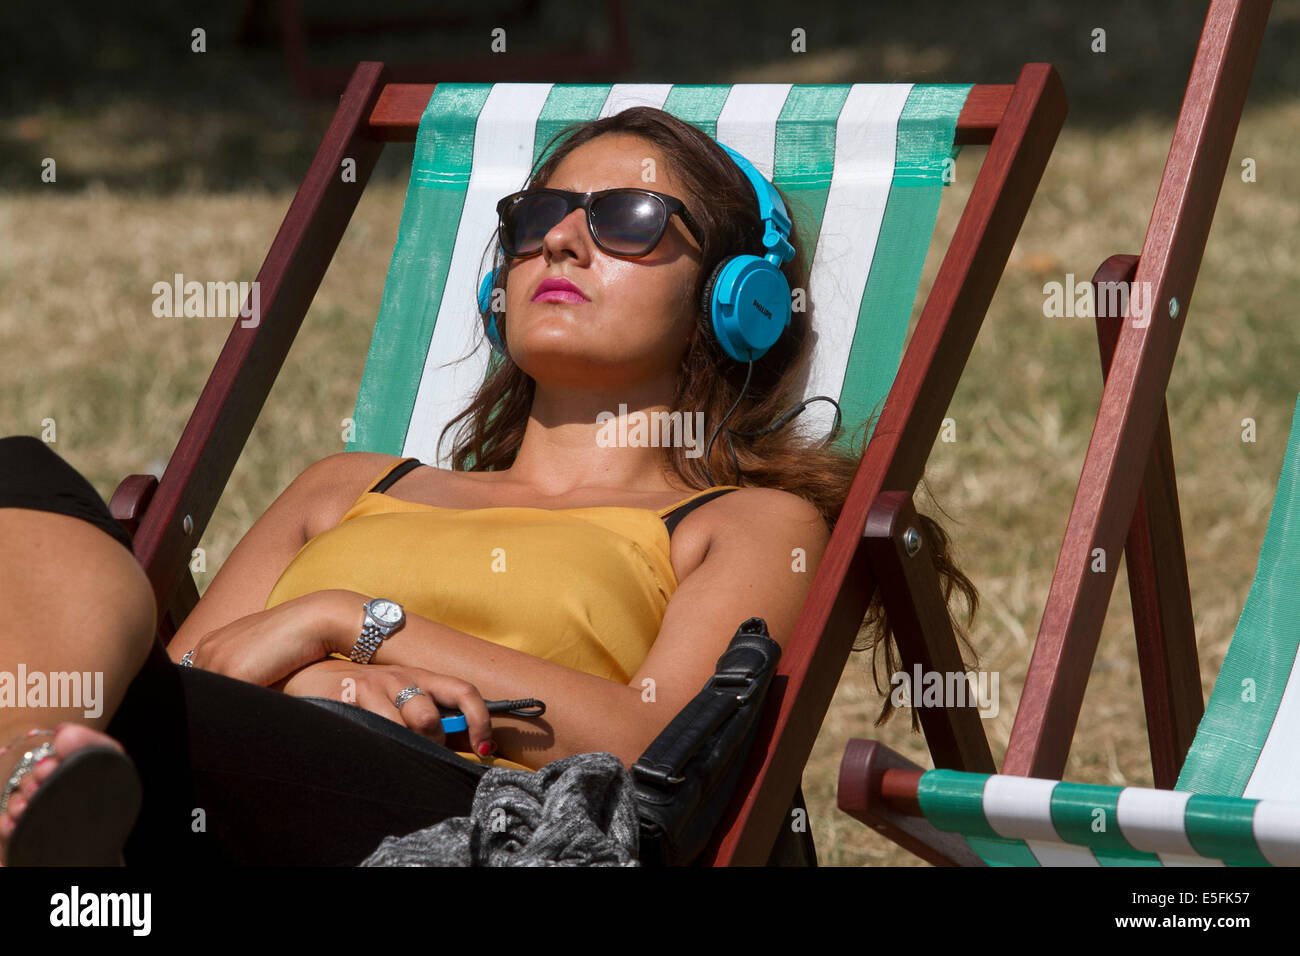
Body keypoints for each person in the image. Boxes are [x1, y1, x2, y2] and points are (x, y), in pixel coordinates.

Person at [0, 106, 975, 866]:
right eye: (539, 215)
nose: (560, 241)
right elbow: (175, 688)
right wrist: (316, 684)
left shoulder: (745, 522)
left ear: (736, 300)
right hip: (215, 799)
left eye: (627, 219)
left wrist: (350, 620)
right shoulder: (348, 481)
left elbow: (656, 748)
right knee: (20, 469)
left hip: (474, 818)